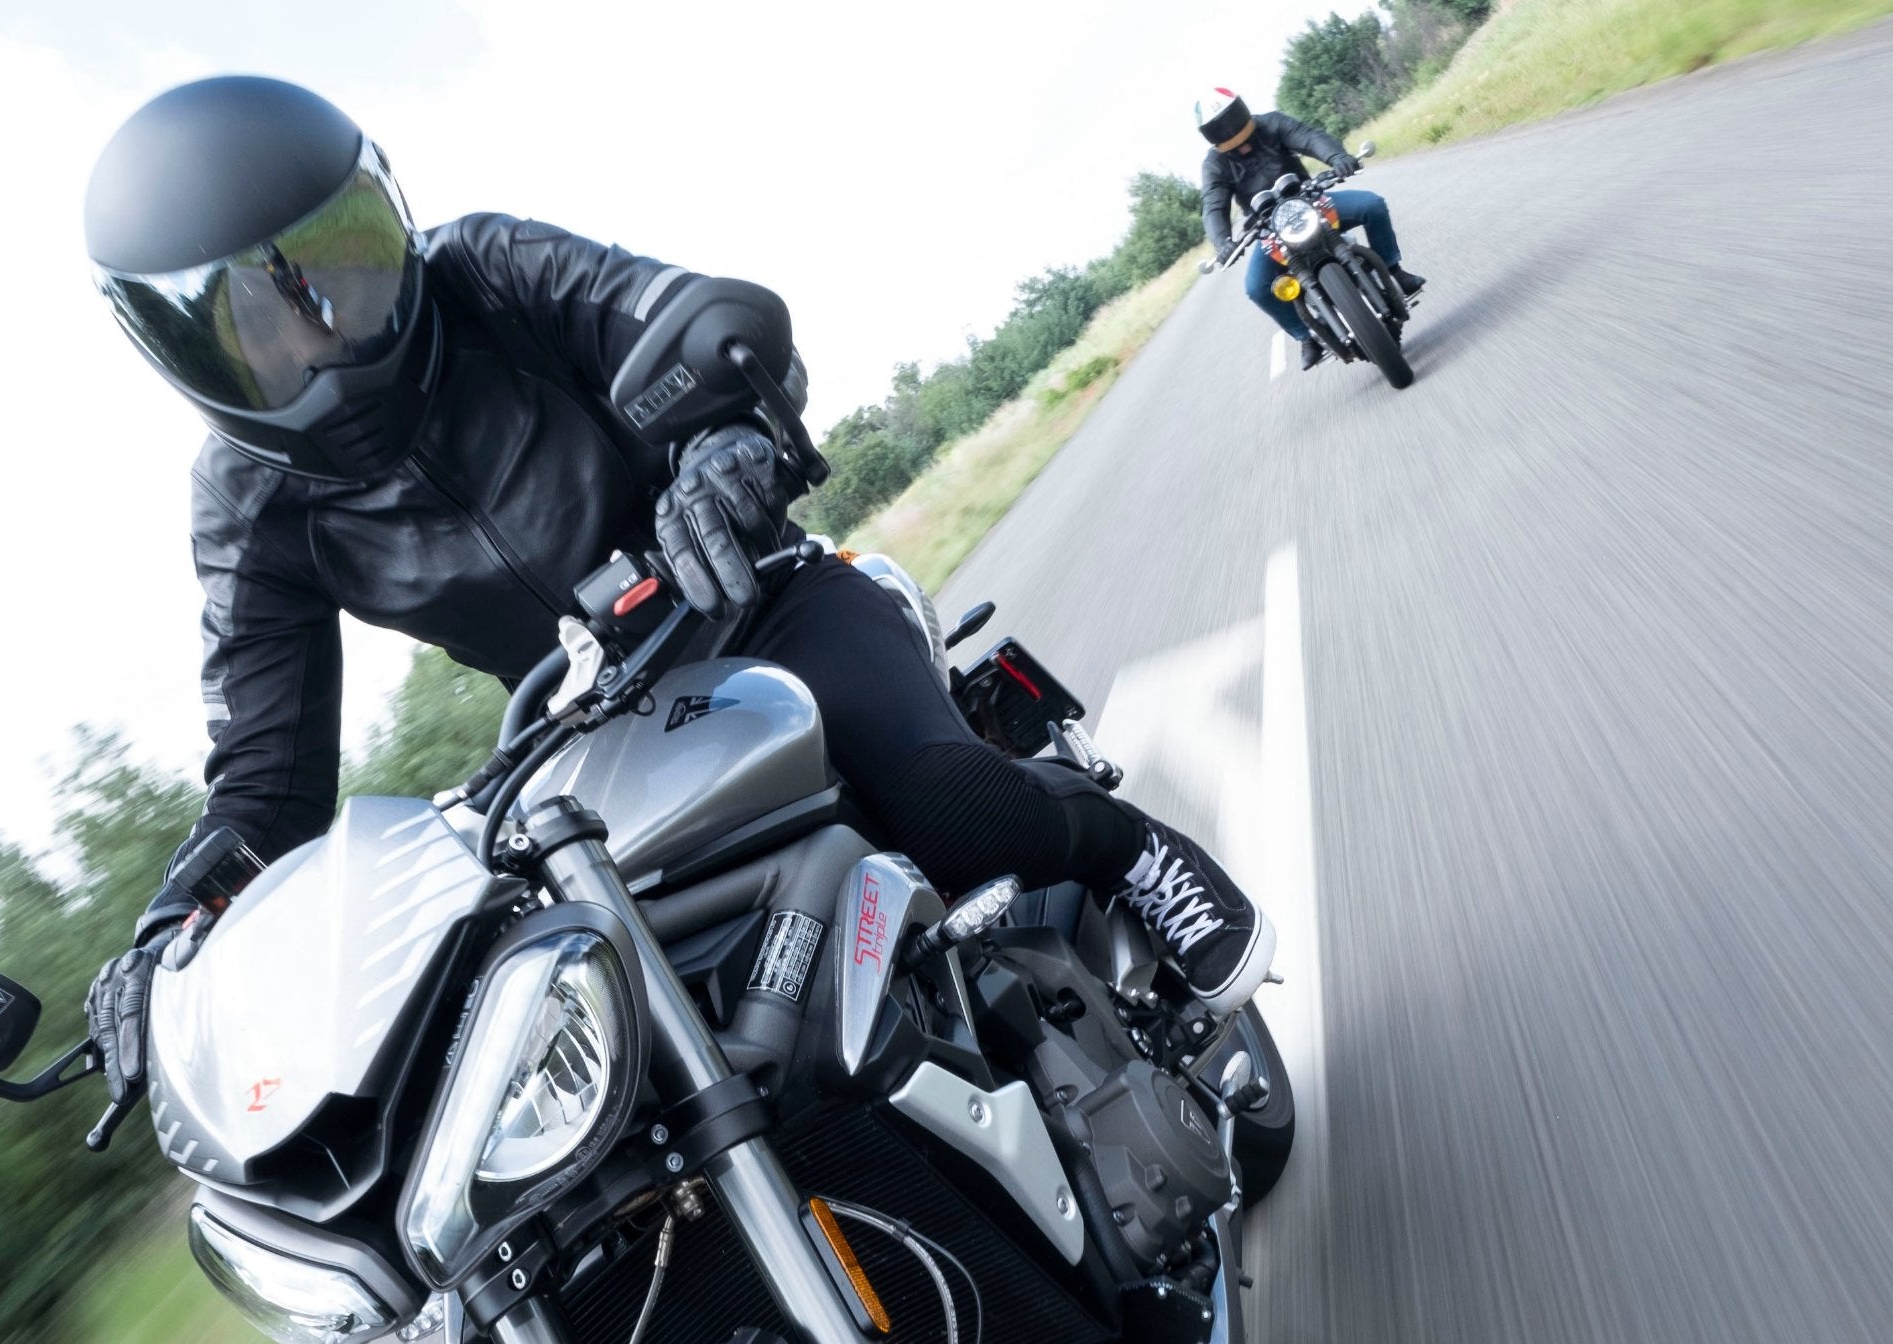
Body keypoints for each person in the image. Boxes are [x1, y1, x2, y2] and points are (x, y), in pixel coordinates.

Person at [81, 77, 1275, 1109]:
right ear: (191, 346)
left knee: (938, 796)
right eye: (261, 308)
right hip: (583, 738)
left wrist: (723, 446)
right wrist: (175, 930)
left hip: (761, 605)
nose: (322, 318)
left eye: (335, 257)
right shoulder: (247, 505)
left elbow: (683, 315)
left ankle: (1131, 853)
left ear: (383, 219)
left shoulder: (484, 271)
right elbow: (266, 780)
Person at [1196, 87, 1425, 370]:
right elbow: (1213, 205)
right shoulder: (1214, 164)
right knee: (1256, 288)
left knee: (1372, 206)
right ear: (1211, 135)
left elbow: (1308, 137)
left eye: (1231, 121)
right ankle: (1307, 337)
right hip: (1269, 227)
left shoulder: (1271, 123)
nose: (1232, 135)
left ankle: (1394, 271)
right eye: (1221, 130)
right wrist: (1222, 242)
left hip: (1311, 202)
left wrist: (1336, 157)